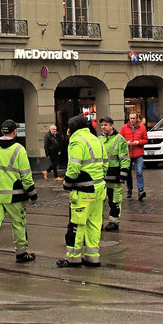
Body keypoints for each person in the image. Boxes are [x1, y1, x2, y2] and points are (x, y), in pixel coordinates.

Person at [0, 119, 37, 269]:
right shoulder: (19, 149)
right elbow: (26, 175)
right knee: (18, 224)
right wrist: (32, 194)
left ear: (2, 132)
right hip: (15, 196)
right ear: (14, 132)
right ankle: (21, 253)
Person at [58, 114, 106, 268]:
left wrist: (67, 182)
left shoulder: (76, 141)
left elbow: (73, 167)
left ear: (72, 129)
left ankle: (73, 257)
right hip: (99, 189)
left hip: (83, 190)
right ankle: (93, 257)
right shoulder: (96, 139)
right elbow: (105, 163)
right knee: (94, 224)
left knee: (77, 225)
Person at [97, 116, 131, 232]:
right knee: (99, 201)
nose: (103, 127)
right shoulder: (99, 139)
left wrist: (123, 175)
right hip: (101, 177)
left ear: (111, 125)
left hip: (115, 176)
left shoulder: (119, 140)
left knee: (114, 201)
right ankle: (98, 223)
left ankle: (114, 222)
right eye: (102, 125)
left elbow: (125, 159)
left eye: (105, 125)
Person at [120, 112, 148, 201]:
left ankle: (140, 190)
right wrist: (126, 143)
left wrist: (138, 142)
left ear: (137, 119)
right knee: (127, 173)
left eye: (133, 118)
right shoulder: (124, 128)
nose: (132, 120)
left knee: (139, 171)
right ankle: (129, 189)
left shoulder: (142, 128)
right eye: (130, 118)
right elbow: (120, 140)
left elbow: (146, 140)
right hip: (128, 153)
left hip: (138, 153)